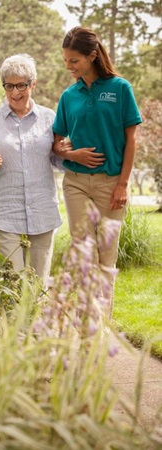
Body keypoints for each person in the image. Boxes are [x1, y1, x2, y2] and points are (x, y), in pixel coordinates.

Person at [52, 27, 142, 316]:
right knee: (84, 253)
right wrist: (70, 153)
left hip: (110, 183)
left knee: (106, 256)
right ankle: (85, 324)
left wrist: (123, 184)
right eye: (66, 60)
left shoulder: (120, 88)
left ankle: (101, 324)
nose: (69, 66)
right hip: (76, 183)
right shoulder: (69, 96)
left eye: (74, 60)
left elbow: (131, 140)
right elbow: (56, 143)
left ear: (92, 55)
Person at [0, 53, 62, 282]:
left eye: (21, 85)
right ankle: (14, 319)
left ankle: (37, 318)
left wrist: (68, 150)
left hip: (42, 210)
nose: (15, 93)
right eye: (9, 86)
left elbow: (58, 159)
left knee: (38, 284)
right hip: (5, 211)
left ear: (33, 84)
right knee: (14, 283)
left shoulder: (49, 118)